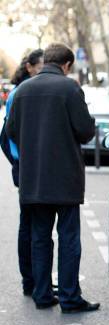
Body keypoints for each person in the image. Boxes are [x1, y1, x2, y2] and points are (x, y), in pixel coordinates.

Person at [6, 43, 99, 313]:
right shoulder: (70, 89)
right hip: (65, 178)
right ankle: (70, 298)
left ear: (46, 60)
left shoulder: (22, 90)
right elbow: (84, 131)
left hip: (33, 178)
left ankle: (42, 294)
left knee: (39, 237)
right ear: (67, 65)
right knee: (69, 238)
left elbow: (11, 131)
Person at [0, 49, 44, 297]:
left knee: (31, 223)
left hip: (27, 164)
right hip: (26, 165)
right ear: (29, 67)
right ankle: (31, 280)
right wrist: (20, 160)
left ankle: (35, 280)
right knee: (29, 224)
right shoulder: (20, 93)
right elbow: (9, 134)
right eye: (41, 66)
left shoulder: (27, 90)